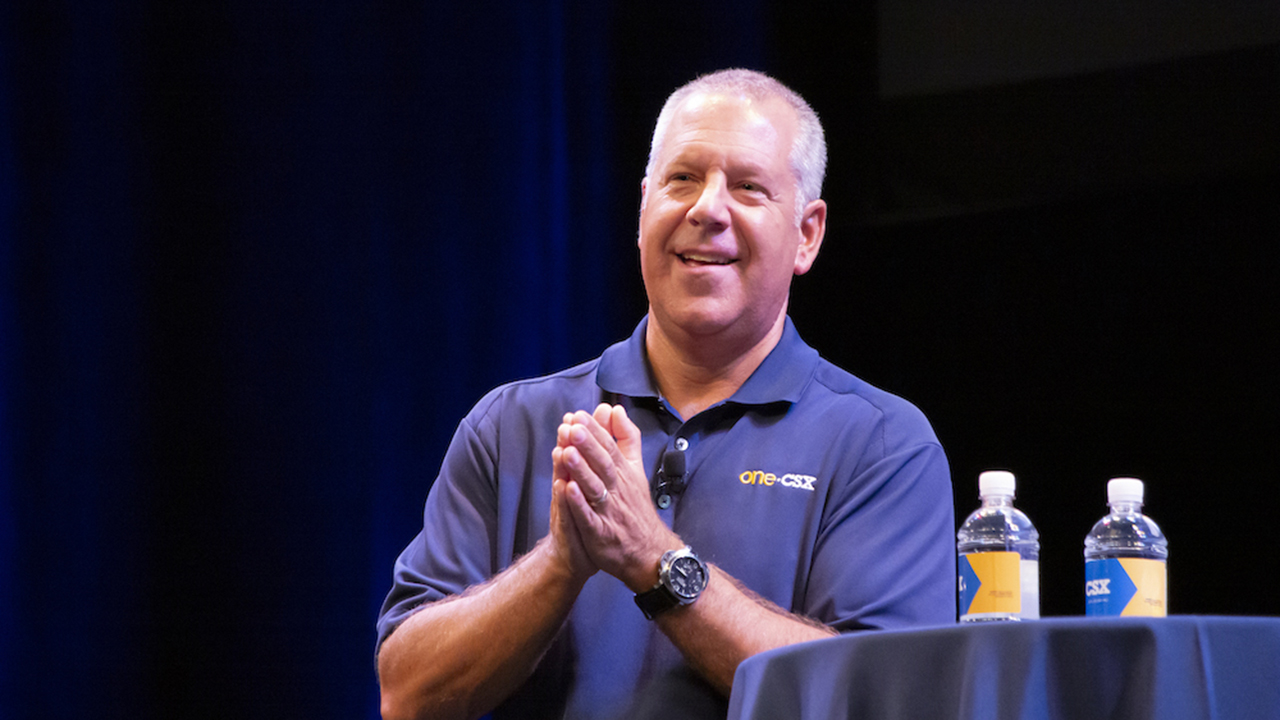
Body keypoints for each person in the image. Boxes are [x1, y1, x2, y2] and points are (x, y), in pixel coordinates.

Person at [376, 68, 954, 720]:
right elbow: (407, 696)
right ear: (644, 206)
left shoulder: (882, 444)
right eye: (682, 179)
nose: (707, 209)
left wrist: (655, 560)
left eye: (748, 187)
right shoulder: (512, 426)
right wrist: (560, 563)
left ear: (807, 234)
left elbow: (887, 702)